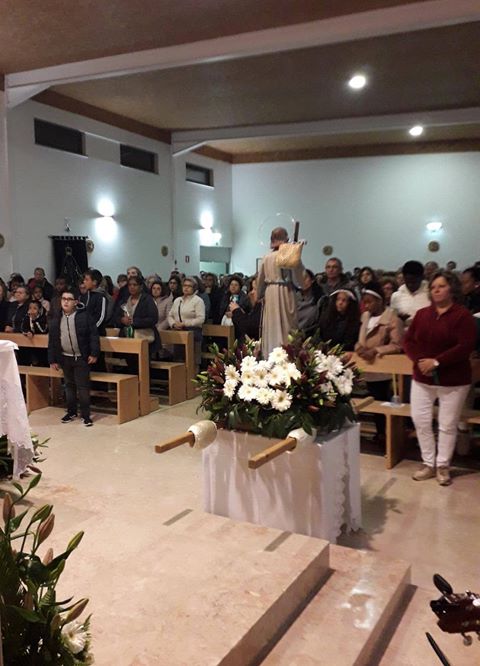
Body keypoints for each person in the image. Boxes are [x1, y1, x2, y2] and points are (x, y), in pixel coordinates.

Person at [404, 270, 476, 486]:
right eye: (433, 287)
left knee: (447, 424)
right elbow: (409, 341)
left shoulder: (462, 315)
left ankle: (443, 465)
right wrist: (420, 361)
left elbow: (465, 346)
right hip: (422, 377)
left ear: (452, 289)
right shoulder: (422, 314)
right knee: (420, 420)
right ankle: (428, 463)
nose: (436, 290)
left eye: (441, 286)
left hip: (453, 379)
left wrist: (436, 362)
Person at [355, 283, 404, 443]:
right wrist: (359, 347)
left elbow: (397, 345)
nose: (367, 305)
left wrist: (376, 350)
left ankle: (386, 435)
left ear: (379, 300)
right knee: (370, 400)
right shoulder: (365, 317)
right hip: (366, 366)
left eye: (370, 302)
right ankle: (378, 432)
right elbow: (360, 339)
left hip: (383, 368)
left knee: (382, 401)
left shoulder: (392, 319)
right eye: (364, 302)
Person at [48, 289, 100, 426]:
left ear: (76, 302)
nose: (65, 301)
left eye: (69, 299)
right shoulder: (56, 318)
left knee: (83, 387)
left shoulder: (84, 316)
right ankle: (71, 411)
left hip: (81, 357)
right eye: (63, 299)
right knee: (69, 386)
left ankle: (85, 415)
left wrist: (94, 353)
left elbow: (93, 335)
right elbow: (52, 340)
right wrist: (52, 359)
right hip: (65, 357)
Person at [256, 226, 305, 357]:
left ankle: (271, 354)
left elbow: (260, 280)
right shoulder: (291, 254)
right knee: (287, 326)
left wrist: (259, 294)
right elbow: (301, 280)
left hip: (271, 292)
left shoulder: (267, 257)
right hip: (286, 292)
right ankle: (288, 356)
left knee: (272, 326)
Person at [114, 275, 159, 369]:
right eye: (130, 285)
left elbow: (153, 319)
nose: (132, 287)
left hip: (143, 337)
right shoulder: (125, 300)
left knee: (142, 366)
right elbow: (116, 316)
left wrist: (134, 322)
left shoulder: (147, 299)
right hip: (127, 337)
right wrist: (122, 320)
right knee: (130, 366)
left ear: (141, 287)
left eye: (135, 285)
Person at [168, 276, 206, 365]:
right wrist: (173, 324)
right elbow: (170, 315)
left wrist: (185, 323)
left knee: (192, 361)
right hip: (178, 333)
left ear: (194, 288)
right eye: (184, 285)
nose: (186, 288)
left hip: (193, 333)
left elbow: (201, 319)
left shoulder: (198, 301)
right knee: (179, 360)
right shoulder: (178, 300)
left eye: (189, 286)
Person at [390, 260, 430, 328]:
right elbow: (392, 319)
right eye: (408, 282)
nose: (410, 285)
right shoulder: (396, 296)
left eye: (414, 282)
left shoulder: (430, 293)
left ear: (421, 278)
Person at [231, 277, 262, 345]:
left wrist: (236, 311)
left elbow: (250, 328)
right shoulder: (257, 305)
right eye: (251, 289)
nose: (252, 292)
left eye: (255, 289)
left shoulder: (262, 306)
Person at [80, 269, 108, 334]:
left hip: (97, 333)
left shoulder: (101, 297)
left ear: (94, 282)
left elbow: (101, 317)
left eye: (86, 280)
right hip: (85, 332)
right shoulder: (84, 296)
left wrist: (91, 329)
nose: (84, 281)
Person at [21, 300, 48, 366]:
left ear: (39, 310)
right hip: (30, 345)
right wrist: (28, 332)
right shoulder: (26, 318)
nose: (32, 310)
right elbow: (23, 328)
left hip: (42, 346)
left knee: (42, 362)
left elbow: (43, 330)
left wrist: (34, 321)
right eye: (30, 308)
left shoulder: (44, 318)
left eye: (35, 308)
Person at [296, 269, 322, 337]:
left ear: (312, 280)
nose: (302, 281)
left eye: (305, 278)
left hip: (310, 335)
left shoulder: (320, 299)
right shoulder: (292, 298)